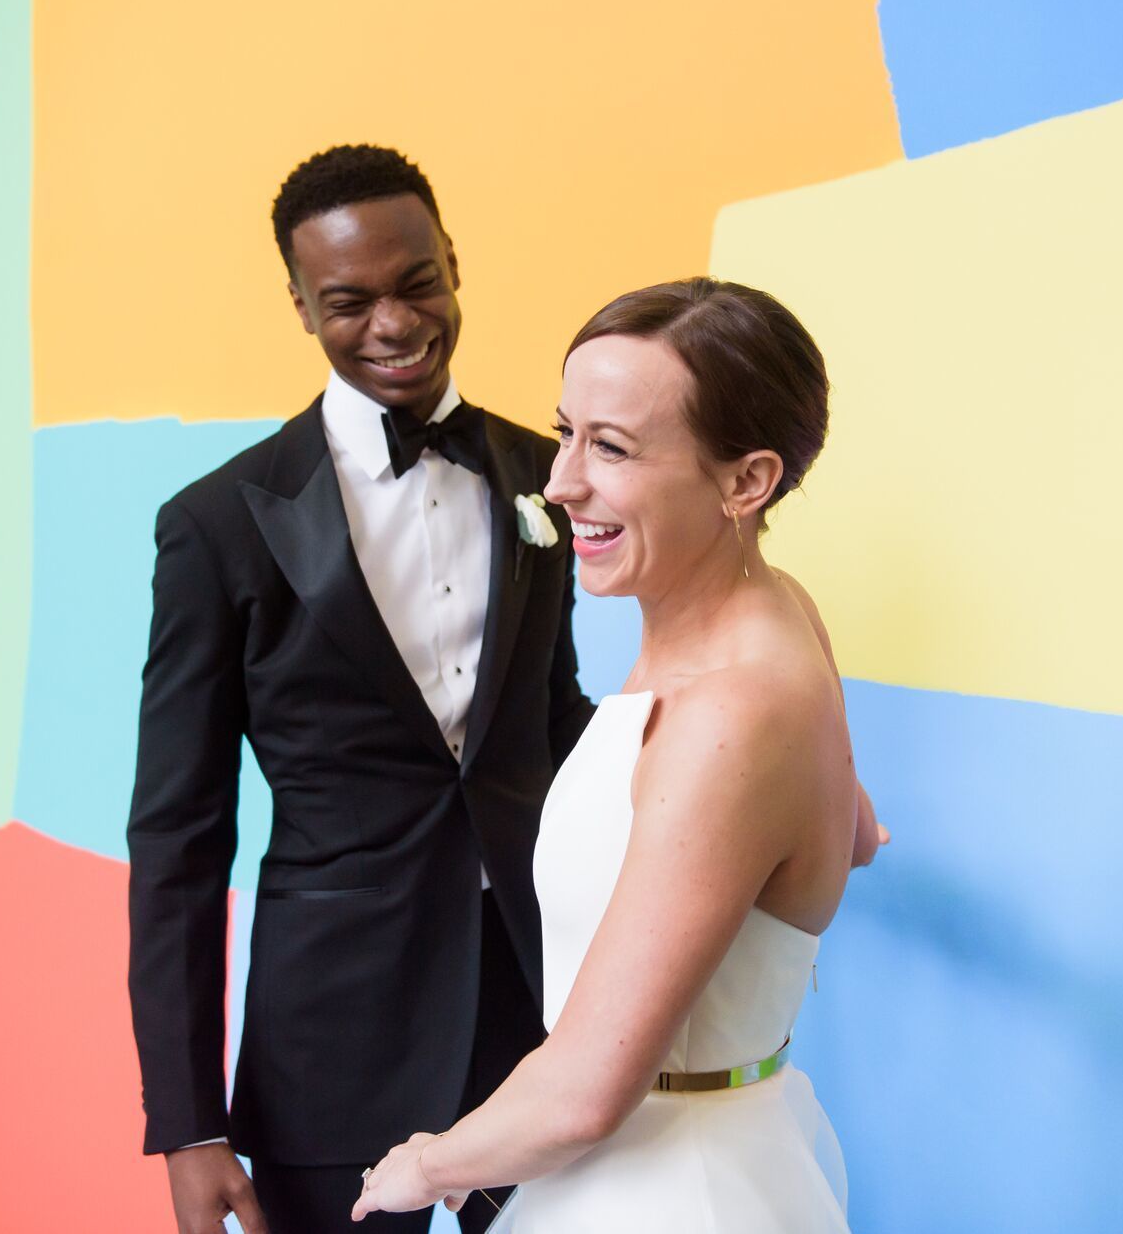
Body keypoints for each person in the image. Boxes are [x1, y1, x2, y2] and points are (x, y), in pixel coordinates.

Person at [126, 144, 596, 1234]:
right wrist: (188, 1122)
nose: (392, 322)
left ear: (453, 265)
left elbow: (556, 721)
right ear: (299, 306)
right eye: (348, 300)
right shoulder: (217, 525)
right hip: (331, 1035)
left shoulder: (549, 475)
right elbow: (179, 839)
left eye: (415, 282)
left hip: (537, 1016)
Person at [352, 278, 884, 1231]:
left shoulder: (729, 714)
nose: (560, 483)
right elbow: (853, 832)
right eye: (566, 433)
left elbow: (586, 1095)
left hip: (668, 1188)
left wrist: (423, 1164)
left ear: (745, 481)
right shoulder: (780, 612)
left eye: (612, 447)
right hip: (716, 1140)